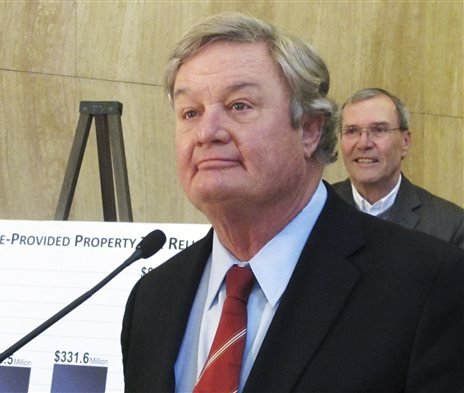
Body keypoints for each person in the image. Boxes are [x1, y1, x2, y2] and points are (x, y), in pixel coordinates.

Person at [121, 13, 464, 392]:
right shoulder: (151, 299)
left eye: (239, 106)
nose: (206, 132)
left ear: (310, 129)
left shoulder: (429, 285)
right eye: (190, 112)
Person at [333, 88, 464, 249]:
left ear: (405, 142)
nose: (364, 143)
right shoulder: (317, 209)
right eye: (352, 131)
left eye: (378, 130)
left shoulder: (449, 227)